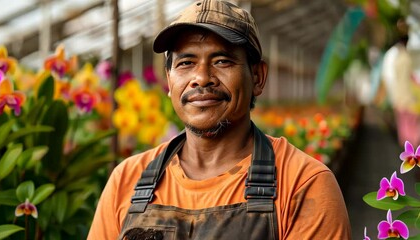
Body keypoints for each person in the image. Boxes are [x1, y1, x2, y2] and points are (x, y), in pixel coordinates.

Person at [88, 0, 352, 239]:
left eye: (222, 61)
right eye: (185, 63)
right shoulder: (127, 181)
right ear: (169, 80)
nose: (201, 77)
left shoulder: (302, 184)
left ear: (258, 77)